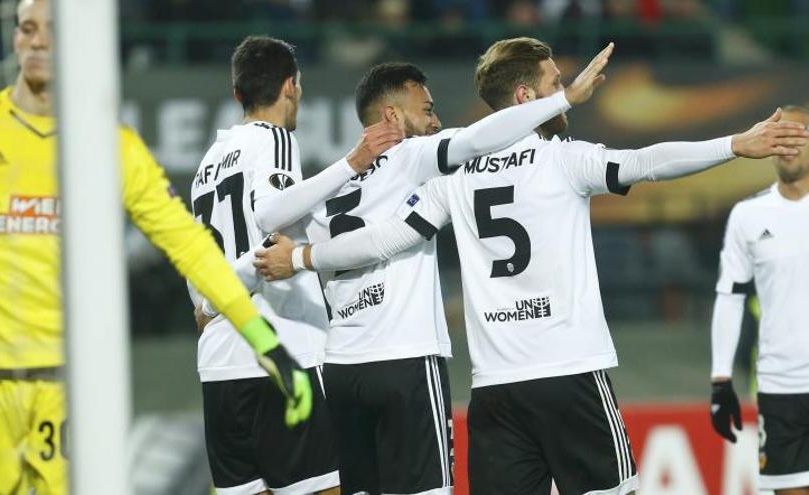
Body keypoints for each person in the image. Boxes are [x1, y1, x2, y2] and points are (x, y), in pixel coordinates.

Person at [254, 37, 809, 495]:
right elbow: (648, 161)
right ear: (526, 96)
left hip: (496, 391)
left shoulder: (455, 177)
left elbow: (385, 240)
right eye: (551, 88)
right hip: (570, 373)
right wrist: (735, 143)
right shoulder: (563, 159)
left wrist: (303, 257)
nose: (560, 99)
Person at [0, 2, 310, 494]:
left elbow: (190, 248)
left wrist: (266, 343)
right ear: (15, 39)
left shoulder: (110, 146)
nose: (39, 41)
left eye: (52, 30)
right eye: (27, 28)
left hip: (66, 388)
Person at [243, 42, 611, 494]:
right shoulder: (413, 156)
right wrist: (564, 99)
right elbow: (477, 138)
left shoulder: (330, 186)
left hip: (341, 366)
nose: (436, 122)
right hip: (406, 361)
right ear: (393, 117)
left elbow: (267, 229)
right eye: (428, 109)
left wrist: (212, 297)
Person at [188, 35, 408, 495]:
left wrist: (210, 304)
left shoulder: (205, 167)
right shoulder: (273, 139)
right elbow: (273, 214)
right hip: (282, 348)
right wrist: (353, 162)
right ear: (291, 86)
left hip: (221, 364)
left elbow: (199, 280)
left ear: (237, 94)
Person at [710, 105, 809, 495]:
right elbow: (729, 297)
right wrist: (720, 381)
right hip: (779, 388)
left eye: (797, 134)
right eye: (778, 135)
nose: (786, 144)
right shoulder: (747, 216)